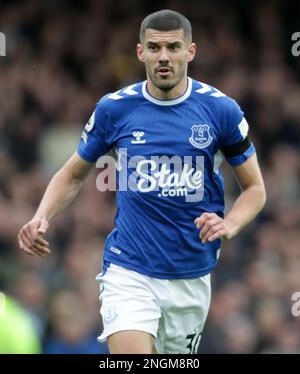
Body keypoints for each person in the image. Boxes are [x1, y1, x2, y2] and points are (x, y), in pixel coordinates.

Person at [18, 9, 266, 354]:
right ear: (140, 52)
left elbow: (255, 189)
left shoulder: (221, 111)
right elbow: (73, 173)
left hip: (190, 275)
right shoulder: (115, 109)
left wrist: (231, 223)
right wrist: (41, 216)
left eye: (173, 47)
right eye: (154, 47)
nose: (163, 56)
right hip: (129, 268)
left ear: (190, 51)